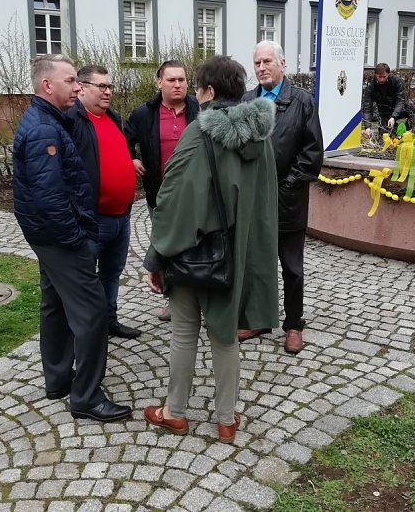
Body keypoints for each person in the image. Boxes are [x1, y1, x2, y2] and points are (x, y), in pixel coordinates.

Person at [142, 55, 279, 444]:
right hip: (233, 255)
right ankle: (225, 420)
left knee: (184, 333)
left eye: (198, 86)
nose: (194, 92)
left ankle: (175, 413)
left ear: (211, 91)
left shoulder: (198, 131)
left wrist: (156, 257)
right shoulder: (261, 137)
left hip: (190, 254)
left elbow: (171, 198)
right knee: (225, 337)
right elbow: (263, 207)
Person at [12, 54, 130, 422]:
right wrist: (77, 238)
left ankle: (58, 379)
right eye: (70, 81)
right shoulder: (44, 129)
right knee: (92, 311)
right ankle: (86, 398)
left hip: (47, 236)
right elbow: (50, 197)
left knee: (55, 304)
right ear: (47, 85)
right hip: (60, 239)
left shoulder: (49, 120)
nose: (77, 87)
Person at [239, 40, 323, 354]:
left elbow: (312, 153)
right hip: (252, 202)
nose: (261, 68)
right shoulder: (247, 101)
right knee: (256, 265)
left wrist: (284, 186)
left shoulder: (301, 101)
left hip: (287, 200)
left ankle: (293, 325)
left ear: (282, 64)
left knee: (292, 268)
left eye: (267, 62)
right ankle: (259, 318)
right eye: (257, 63)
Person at [67, 64, 140, 340]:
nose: (108, 91)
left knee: (112, 274)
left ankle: (110, 320)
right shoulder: (73, 120)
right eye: (102, 86)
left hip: (121, 216)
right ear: (82, 87)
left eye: (110, 86)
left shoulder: (114, 118)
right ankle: (88, 330)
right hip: (93, 219)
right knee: (86, 279)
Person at [125, 60, 201, 321]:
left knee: (198, 247)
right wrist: (132, 159)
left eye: (181, 79)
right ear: (159, 82)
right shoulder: (144, 114)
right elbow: (125, 138)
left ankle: (202, 297)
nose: (177, 84)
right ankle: (174, 300)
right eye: (171, 80)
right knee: (166, 248)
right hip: (160, 196)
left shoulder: (199, 109)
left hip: (197, 196)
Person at [361, 63, 410, 138]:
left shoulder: (396, 82)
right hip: (385, 113)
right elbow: (367, 108)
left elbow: (400, 101)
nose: (382, 79)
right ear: (375, 75)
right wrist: (367, 127)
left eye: (384, 77)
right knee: (384, 135)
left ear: (388, 74)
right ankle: (395, 131)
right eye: (379, 77)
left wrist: (393, 117)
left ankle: (406, 129)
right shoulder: (371, 87)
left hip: (401, 109)